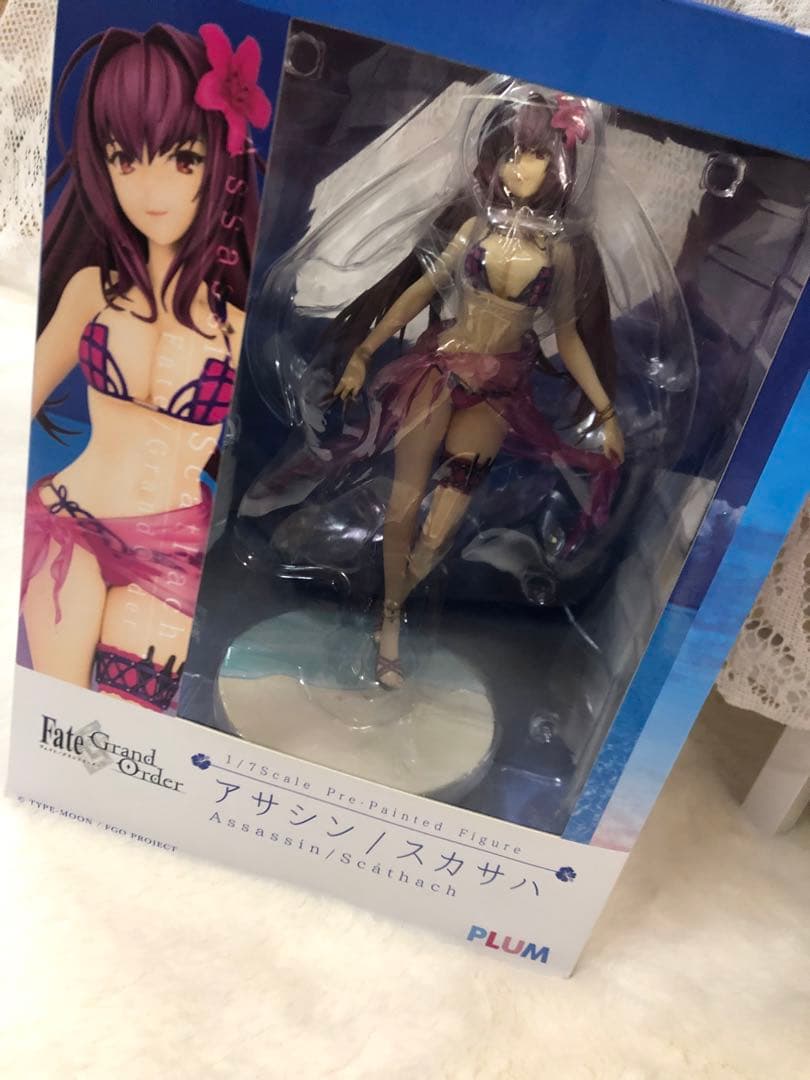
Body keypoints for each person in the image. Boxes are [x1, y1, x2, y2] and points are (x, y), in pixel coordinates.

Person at [20, 22, 270, 711]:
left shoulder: (242, 330)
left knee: (127, 733)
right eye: (124, 158)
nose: (150, 187)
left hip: (176, 551)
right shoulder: (90, 293)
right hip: (66, 520)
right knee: (55, 719)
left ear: (221, 162)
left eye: (183, 159)